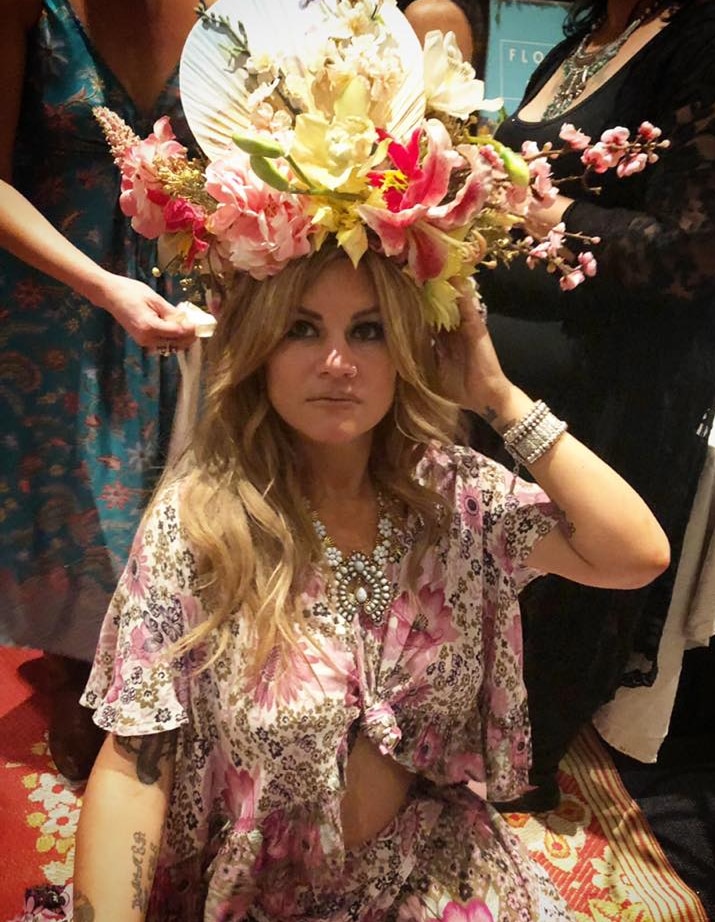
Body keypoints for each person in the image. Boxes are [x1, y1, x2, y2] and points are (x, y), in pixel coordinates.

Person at [67, 242, 668, 920]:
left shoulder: (452, 494)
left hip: (429, 874)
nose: (337, 363)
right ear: (258, 344)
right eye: (301, 328)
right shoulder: (204, 522)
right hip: (255, 897)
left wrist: (499, 398)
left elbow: (634, 554)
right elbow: (134, 761)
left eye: (369, 330)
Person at [476, 0, 715, 806]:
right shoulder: (592, 32)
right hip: (521, 343)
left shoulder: (700, 35)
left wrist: (549, 221)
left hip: (609, 375)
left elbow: (693, 252)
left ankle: (518, 755)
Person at [0, 0, 243, 780]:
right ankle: (79, 677)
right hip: (56, 297)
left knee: (174, 501)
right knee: (77, 505)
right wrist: (102, 287)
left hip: (185, 296)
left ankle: (150, 678)